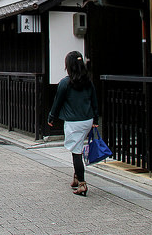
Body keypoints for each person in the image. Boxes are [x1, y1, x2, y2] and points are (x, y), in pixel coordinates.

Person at [48, 51, 99, 197]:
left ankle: (82, 183)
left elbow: (57, 102)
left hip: (73, 122)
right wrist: (95, 120)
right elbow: (94, 100)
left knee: (76, 152)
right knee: (76, 147)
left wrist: (51, 117)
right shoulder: (88, 81)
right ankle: (76, 178)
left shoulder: (65, 83)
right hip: (87, 120)